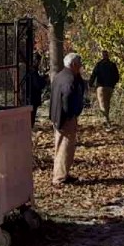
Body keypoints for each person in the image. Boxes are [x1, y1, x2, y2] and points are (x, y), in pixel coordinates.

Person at [49, 52, 86, 186]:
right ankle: (59, 178)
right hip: (65, 118)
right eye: (79, 64)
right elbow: (68, 98)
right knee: (65, 147)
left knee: (63, 147)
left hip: (58, 116)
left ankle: (63, 174)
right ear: (74, 64)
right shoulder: (69, 80)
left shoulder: (61, 76)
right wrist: (72, 114)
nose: (81, 67)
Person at [89, 51, 121, 125]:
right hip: (109, 87)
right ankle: (107, 119)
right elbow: (117, 77)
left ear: (103, 56)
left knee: (102, 103)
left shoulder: (99, 65)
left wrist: (90, 84)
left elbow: (94, 74)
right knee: (107, 103)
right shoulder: (112, 65)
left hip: (101, 87)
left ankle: (106, 120)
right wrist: (113, 84)